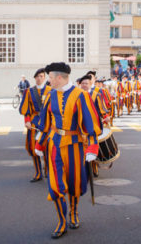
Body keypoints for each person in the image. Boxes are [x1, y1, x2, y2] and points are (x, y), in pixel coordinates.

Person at [34, 62, 102, 239]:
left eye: (50, 78)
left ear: (58, 77)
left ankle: (73, 212)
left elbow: (91, 123)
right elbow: (45, 122)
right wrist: (40, 143)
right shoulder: (50, 95)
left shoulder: (81, 96)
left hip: (75, 146)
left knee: (74, 184)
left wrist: (93, 146)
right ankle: (62, 221)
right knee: (56, 186)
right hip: (54, 145)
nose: (48, 81)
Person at [19, 68, 51, 182]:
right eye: (37, 76)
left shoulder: (51, 90)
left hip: (47, 123)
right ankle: (38, 173)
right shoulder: (28, 91)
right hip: (33, 123)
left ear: (45, 78)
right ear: (34, 78)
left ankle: (47, 169)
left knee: (47, 148)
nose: (39, 78)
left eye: (41, 76)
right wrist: (27, 121)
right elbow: (25, 108)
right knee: (34, 148)